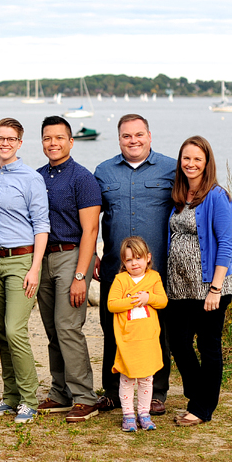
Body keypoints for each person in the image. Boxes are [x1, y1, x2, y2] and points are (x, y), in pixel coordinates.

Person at [93, 113, 175, 416]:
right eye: (127, 136)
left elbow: (192, 201)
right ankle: (113, 391)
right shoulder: (103, 172)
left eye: (139, 134)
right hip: (116, 269)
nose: (133, 140)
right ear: (119, 139)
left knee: (156, 330)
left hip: (157, 271)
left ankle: (157, 393)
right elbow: (88, 218)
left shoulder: (170, 168)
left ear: (149, 136)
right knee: (111, 326)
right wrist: (91, 256)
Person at [0, 117, 50, 424]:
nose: (5, 143)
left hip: (21, 260)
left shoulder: (31, 178)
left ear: (20, 143)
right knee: (0, 332)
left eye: (11, 139)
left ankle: (29, 399)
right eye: (0, 138)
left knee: (14, 329)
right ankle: (10, 397)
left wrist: (35, 267)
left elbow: (42, 225)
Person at [35, 116, 102, 423]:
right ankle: (60, 392)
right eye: (48, 138)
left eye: (59, 138)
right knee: (52, 330)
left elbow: (90, 231)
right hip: (42, 257)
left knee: (68, 327)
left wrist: (80, 275)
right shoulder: (36, 177)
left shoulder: (82, 178)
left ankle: (85, 397)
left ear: (71, 141)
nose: (53, 143)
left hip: (71, 256)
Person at [166, 135, 232, 427]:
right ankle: (199, 395)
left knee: (208, 346)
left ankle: (202, 408)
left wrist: (215, 289)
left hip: (210, 288)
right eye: (186, 158)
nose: (191, 164)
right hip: (179, 289)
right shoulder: (180, 197)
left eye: (197, 159)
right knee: (178, 343)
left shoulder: (217, 196)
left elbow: (226, 244)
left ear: (207, 163)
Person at [107, 236, 168, 432]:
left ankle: (144, 413)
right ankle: (128, 415)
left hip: (148, 339)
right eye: (129, 260)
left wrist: (148, 297)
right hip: (128, 339)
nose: (134, 263)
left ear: (148, 258)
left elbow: (163, 301)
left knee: (146, 378)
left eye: (138, 258)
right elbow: (112, 304)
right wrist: (133, 300)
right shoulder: (121, 280)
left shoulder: (154, 278)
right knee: (127, 378)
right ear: (123, 262)